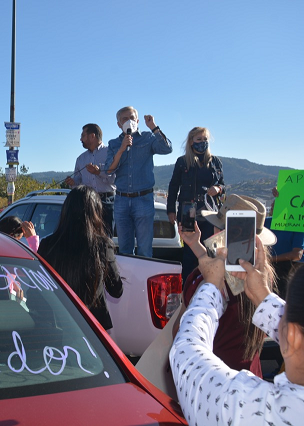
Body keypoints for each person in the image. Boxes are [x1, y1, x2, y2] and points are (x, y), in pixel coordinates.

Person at [170, 239, 304, 425]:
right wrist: (263, 296)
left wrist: (210, 288)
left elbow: (185, 350)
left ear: (292, 336)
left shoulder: (247, 409)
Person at [178, 193, 277, 376]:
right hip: (251, 380)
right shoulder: (264, 279)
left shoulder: (204, 282)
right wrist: (197, 247)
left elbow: (181, 333)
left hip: (213, 385)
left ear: (220, 234)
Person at [37, 186, 123, 330]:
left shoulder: (47, 245)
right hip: (93, 331)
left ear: (66, 211)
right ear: (95, 213)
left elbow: (38, 290)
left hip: (56, 328)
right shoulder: (102, 245)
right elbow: (116, 290)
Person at [105, 106, 172, 258]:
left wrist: (154, 127)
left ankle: (143, 280)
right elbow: (109, 170)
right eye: (124, 119)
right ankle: (127, 281)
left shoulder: (148, 138)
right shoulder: (114, 143)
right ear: (118, 124)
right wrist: (121, 149)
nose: (129, 121)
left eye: (131, 118)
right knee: (125, 249)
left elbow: (167, 148)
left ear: (137, 120)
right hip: (121, 200)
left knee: (144, 249)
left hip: (143, 199)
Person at [167, 126, 225, 283]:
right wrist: (171, 210)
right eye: (199, 139)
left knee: (210, 250)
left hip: (211, 213)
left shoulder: (215, 162)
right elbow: (173, 187)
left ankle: (210, 283)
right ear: (191, 141)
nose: (202, 142)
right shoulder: (182, 162)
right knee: (190, 252)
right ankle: (188, 286)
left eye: (205, 139)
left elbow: (223, 185)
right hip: (188, 212)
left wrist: (218, 188)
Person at [65, 123, 116, 237]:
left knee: (106, 238)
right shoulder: (80, 159)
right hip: (87, 203)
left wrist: (98, 172)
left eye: (83, 135)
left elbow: (115, 179)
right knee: (87, 237)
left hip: (107, 202)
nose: (80, 139)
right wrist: (73, 182)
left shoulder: (110, 153)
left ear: (92, 136)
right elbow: (78, 180)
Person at [266, 188, 304, 297]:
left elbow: (297, 254)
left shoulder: (297, 225)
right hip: (268, 269)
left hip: (286, 272)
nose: (273, 203)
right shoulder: (265, 222)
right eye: (274, 201)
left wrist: (269, 259)